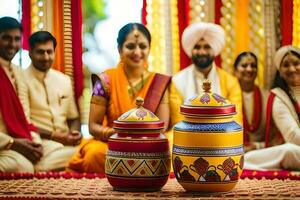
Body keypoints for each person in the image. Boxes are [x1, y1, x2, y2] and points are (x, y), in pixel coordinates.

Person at [68, 23, 171, 173]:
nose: (137, 52)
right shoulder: (106, 80)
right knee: (94, 155)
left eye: (143, 46)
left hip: (148, 144)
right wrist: (116, 135)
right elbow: (93, 126)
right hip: (114, 143)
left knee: (172, 145)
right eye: (130, 46)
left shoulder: (159, 83)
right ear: (119, 49)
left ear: (149, 48)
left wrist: (140, 140)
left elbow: (162, 126)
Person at [0, 17, 73, 172]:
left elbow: (23, 119)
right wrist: (12, 142)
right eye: (6, 38)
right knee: (23, 166)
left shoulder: (15, 72)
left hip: (25, 141)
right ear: (30, 53)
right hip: (9, 143)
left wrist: (34, 144)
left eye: (16, 39)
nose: (12, 44)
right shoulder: (24, 76)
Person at [20, 31, 82, 171]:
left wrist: (73, 134)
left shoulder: (64, 80)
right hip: (40, 143)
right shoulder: (21, 79)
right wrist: (57, 137)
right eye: (40, 52)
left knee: (90, 149)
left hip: (66, 144)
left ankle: (51, 165)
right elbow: (25, 123)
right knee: (88, 153)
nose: (46, 57)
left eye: (49, 52)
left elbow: (73, 117)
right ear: (30, 53)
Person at [169, 22, 243, 127]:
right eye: (197, 47)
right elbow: (178, 123)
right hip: (188, 139)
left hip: (222, 139)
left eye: (207, 47)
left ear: (214, 48)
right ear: (191, 49)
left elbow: (236, 122)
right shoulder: (177, 82)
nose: (202, 52)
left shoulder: (230, 82)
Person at [244, 45, 300, 170]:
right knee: (288, 151)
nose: (292, 69)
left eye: (296, 63)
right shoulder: (278, 97)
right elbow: (293, 136)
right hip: (295, 148)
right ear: (279, 71)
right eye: (285, 65)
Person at [233, 52, 268, 152]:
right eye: (244, 66)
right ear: (235, 70)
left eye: (253, 66)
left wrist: (257, 146)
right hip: (232, 152)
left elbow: (274, 137)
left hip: (261, 153)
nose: (249, 69)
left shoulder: (268, 96)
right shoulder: (226, 96)